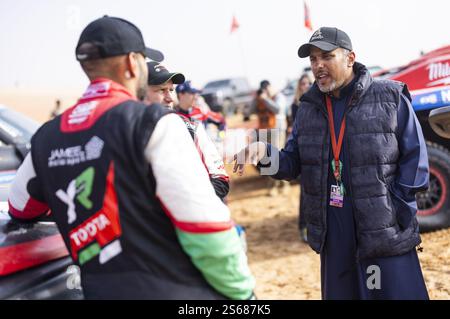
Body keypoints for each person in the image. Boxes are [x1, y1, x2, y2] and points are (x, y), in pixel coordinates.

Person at [8, 16, 254, 300]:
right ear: (131, 63)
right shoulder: (156, 122)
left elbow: (20, 207)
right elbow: (206, 227)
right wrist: (243, 295)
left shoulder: (45, 138)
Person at [234, 27, 429, 300]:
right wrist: (265, 153)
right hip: (335, 232)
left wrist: (398, 209)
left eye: (326, 56)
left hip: (384, 229)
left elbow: (415, 159)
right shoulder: (309, 108)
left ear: (350, 58)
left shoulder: (390, 96)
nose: (318, 66)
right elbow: (293, 163)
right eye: (313, 59)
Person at [144, 61, 229, 201]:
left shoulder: (193, 124)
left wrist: (220, 136)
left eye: (171, 90)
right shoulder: (127, 132)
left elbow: (220, 178)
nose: (169, 98)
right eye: (161, 90)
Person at [290, 74, 313, 243]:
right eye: (303, 83)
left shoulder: (317, 101)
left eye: (308, 83)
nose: (305, 85)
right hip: (302, 149)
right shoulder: (296, 104)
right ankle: (303, 227)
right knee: (305, 192)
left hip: (317, 150)